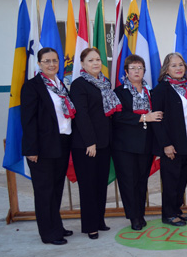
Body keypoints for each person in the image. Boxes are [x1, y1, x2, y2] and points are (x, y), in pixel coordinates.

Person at [21, 47, 75, 245]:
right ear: (39, 63)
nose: (51, 64)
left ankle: (57, 225)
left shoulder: (60, 85)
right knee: (45, 191)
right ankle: (48, 233)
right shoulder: (32, 86)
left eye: (55, 61)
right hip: (42, 148)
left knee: (56, 189)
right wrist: (31, 149)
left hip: (62, 142)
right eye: (47, 61)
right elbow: (28, 121)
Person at [70, 47, 121, 239]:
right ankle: (90, 226)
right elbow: (81, 116)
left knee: (100, 184)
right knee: (88, 186)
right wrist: (89, 142)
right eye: (91, 60)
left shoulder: (105, 83)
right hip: (86, 145)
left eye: (98, 59)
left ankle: (99, 220)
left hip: (104, 143)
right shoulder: (78, 85)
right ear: (83, 64)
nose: (96, 63)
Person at [112, 55, 163, 230]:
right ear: (126, 72)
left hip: (146, 144)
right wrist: (143, 117)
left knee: (142, 181)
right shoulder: (119, 92)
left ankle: (140, 213)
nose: (137, 71)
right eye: (133, 68)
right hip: (124, 145)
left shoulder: (150, 91)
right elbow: (117, 116)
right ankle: (133, 216)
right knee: (128, 182)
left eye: (140, 68)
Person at [152, 53, 187, 226]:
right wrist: (166, 144)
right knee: (171, 179)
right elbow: (158, 121)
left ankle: (176, 210)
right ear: (166, 68)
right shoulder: (161, 90)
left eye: (181, 65)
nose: (178, 68)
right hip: (172, 143)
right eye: (174, 65)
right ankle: (168, 214)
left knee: (181, 178)